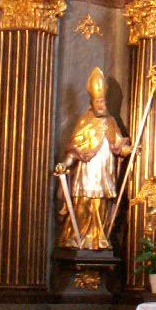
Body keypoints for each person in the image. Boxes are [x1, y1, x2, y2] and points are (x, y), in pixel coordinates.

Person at [54, 67, 131, 250]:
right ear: (92, 101)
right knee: (84, 205)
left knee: (102, 206)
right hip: (87, 174)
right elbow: (74, 149)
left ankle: (99, 238)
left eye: (103, 101)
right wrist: (64, 165)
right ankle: (78, 237)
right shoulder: (84, 122)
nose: (101, 105)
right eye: (98, 101)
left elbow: (119, 146)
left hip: (105, 174)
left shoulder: (111, 122)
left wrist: (131, 150)